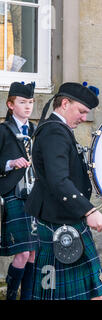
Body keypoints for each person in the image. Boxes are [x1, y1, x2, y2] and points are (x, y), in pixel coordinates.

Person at [25, 82, 102, 300]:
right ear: (64, 104)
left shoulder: (57, 129)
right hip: (59, 221)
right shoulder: (54, 131)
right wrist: (89, 211)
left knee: (94, 292)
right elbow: (58, 180)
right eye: (81, 111)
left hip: (67, 217)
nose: (83, 118)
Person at [0, 81, 38, 300]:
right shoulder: (3, 131)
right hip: (13, 194)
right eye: (23, 102)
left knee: (34, 252)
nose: (28, 106)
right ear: (10, 104)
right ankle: (12, 295)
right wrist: (10, 162)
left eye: (31, 102)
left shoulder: (35, 131)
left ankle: (29, 297)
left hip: (35, 196)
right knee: (23, 252)